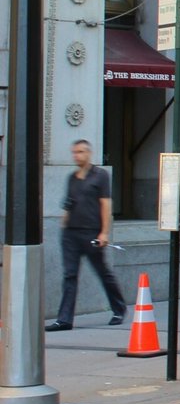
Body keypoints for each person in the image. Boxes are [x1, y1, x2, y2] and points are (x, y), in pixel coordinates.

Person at [46, 139, 127, 331]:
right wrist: (64, 221)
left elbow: (106, 204)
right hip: (71, 234)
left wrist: (104, 232)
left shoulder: (100, 176)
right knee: (70, 275)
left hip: (91, 232)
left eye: (81, 152)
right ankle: (64, 319)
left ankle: (119, 309)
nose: (77, 155)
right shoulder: (72, 177)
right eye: (74, 152)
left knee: (102, 272)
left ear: (89, 154)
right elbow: (70, 202)